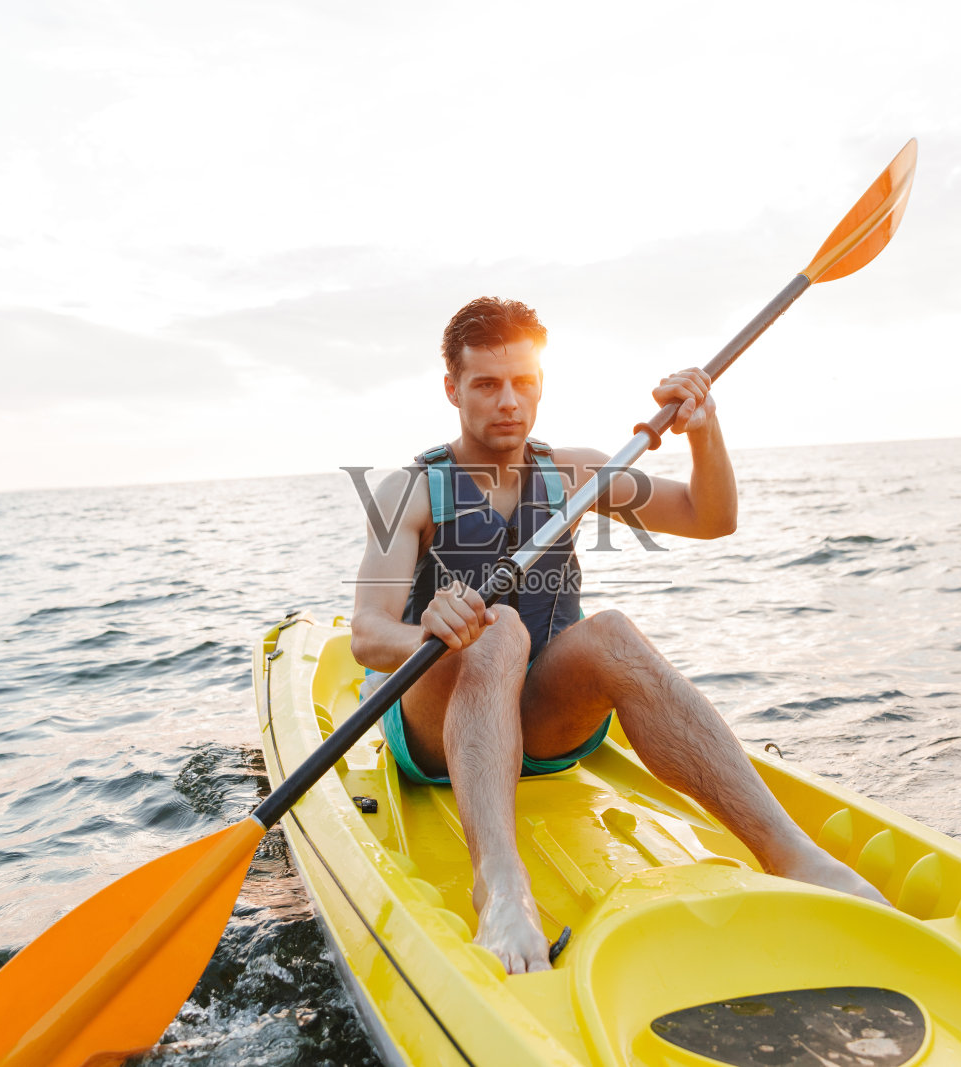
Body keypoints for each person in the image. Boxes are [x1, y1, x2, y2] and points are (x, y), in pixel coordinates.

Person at [350, 296, 886, 975]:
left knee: (610, 631)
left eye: (523, 382)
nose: (508, 401)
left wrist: (703, 431)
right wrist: (431, 630)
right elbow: (367, 634)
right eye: (486, 384)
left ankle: (792, 854)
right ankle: (502, 887)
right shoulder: (410, 491)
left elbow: (709, 517)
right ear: (453, 388)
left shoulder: (576, 473)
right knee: (498, 628)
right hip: (436, 726)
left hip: (543, 726)